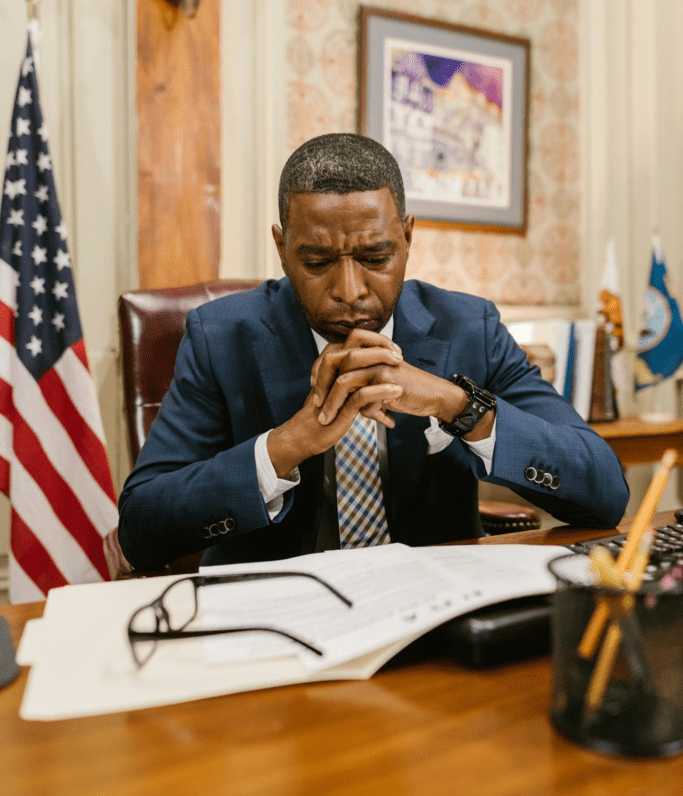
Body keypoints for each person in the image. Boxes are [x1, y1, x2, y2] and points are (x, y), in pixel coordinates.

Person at [118, 133, 628, 570]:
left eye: (375, 257)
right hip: (278, 622)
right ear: (281, 247)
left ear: (407, 238)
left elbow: (605, 493)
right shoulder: (220, 338)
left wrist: (456, 405)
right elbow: (141, 532)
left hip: (432, 616)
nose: (350, 289)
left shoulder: (470, 329)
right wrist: (290, 443)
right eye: (317, 260)